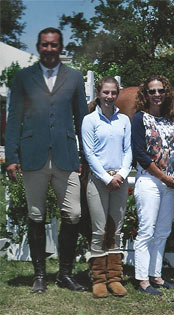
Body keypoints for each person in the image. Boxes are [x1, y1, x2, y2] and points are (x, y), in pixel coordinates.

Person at [5, 27, 88, 293]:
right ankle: (39, 275)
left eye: (54, 45)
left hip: (66, 156)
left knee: (73, 213)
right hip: (33, 156)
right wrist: (11, 157)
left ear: (60, 47)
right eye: (45, 45)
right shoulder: (23, 77)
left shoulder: (74, 78)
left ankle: (65, 274)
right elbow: (14, 118)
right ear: (38, 47)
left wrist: (84, 155)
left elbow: (82, 120)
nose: (49, 49)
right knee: (36, 214)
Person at [131, 75, 174, 296]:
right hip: (149, 180)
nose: (157, 95)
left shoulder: (171, 119)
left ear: (166, 92)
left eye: (160, 90)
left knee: (163, 231)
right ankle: (142, 279)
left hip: (169, 182)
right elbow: (140, 154)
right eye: (152, 91)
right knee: (147, 231)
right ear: (146, 94)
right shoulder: (139, 118)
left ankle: (156, 276)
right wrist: (163, 176)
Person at [81, 77, 132, 298]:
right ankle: (99, 279)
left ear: (117, 94)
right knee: (99, 229)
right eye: (106, 93)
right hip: (98, 180)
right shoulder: (89, 120)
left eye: (113, 93)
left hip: (119, 180)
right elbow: (89, 153)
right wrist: (105, 177)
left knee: (116, 230)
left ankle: (114, 277)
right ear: (99, 94)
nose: (110, 97)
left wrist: (120, 175)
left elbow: (128, 150)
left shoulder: (124, 120)